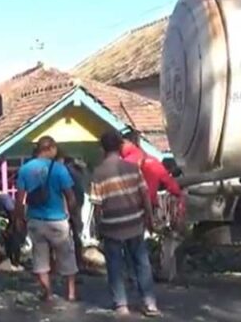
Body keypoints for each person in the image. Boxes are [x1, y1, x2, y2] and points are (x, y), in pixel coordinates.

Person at [90, 131, 160, 317]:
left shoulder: (99, 173)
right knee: (141, 263)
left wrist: (98, 227)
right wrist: (149, 218)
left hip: (111, 225)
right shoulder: (132, 168)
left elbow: (97, 206)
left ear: (102, 149)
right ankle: (149, 303)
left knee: (114, 264)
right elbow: (144, 195)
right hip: (134, 222)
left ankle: (121, 305)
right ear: (120, 146)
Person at [14, 136, 80, 302]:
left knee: (40, 260)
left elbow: (19, 198)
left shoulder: (25, 169)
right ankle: (71, 294)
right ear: (49, 148)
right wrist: (72, 216)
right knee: (67, 257)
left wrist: (19, 218)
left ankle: (48, 293)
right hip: (57, 220)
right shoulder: (59, 169)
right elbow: (70, 196)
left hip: (36, 221)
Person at [56, 151, 86, 273]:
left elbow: (65, 191)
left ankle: (66, 264)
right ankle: (78, 262)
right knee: (76, 235)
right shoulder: (76, 171)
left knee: (64, 236)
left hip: (69, 205)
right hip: (77, 204)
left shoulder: (64, 171)